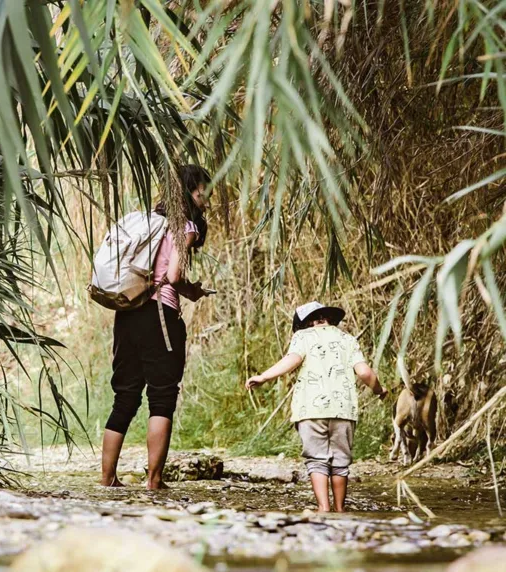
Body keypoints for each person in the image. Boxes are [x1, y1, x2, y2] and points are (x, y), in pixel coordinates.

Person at [101, 165, 212, 489]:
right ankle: (154, 480)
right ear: (191, 191)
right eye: (202, 190)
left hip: (128, 312)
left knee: (125, 396)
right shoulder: (185, 224)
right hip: (160, 313)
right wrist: (193, 291)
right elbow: (174, 276)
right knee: (162, 397)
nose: (206, 197)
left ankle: (107, 478)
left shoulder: (149, 221)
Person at [245, 301, 387, 512]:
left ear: (307, 322)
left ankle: (324, 508)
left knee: (317, 460)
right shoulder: (347, 339)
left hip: (310, 410)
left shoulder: (303, 336)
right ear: (329, 319)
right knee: (340, 462)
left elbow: (292, 360)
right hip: (343, 411)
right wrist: (379, 390)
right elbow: (365, 373)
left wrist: (264, 376)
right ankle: (340, 509)